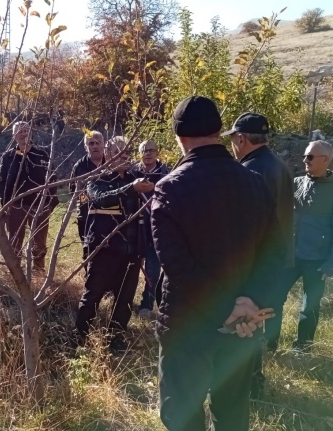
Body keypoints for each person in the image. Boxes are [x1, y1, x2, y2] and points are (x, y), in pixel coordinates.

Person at [151, 96, 279, 431]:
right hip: (242, 325)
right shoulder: (255, 183)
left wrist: (228, 308)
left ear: (179, 136)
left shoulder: (169, 189)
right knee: (233, 413)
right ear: (220, 131)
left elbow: (177, 266)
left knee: (181, 412)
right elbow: (274, 253)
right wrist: (251, 305)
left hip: (188, 324)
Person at [223, 112, 294, 397]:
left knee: (244, 328)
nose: (232, 145)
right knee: (256, 326)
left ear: (241, 138)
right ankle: (253, 383)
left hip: (256, 264)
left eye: (232, 139)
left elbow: (248, 226)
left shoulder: (251, 170)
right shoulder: (279, 165)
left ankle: (247, 388)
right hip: (278, 261)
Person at [74, 136, 153, 352]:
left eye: (128, 153)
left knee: (125, 300)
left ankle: (116, 340)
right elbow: (101, 198)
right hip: (104, 250)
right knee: (92, 296)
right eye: (121, 153)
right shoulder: (96, 179)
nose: (126, 157)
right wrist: (131, 189)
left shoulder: (137, 177)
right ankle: (79, 340)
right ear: (109, 154)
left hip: (132, 252)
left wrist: (142, 250)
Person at [281, 140, 333, 353]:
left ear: (325, 160)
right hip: (291, 256)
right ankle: (269, 340)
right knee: (273, 296)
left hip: (317, 260)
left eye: (310, 157)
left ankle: (302, 348)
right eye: (305, 156)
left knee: (308, 307)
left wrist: (332, 263)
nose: (305, 160)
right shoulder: (297, 182)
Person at [0, 122, 58, 271]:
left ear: (31, 133)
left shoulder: (42, 154)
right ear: (14, 136)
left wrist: (49, 202)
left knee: (39, 242)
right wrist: (5, 205)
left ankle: (38, 271)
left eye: (26, 130)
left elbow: (53, 178)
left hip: (40, 206)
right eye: (20, 131)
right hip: (16, 206)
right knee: (15, 242)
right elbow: (2, 182)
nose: (23, 134)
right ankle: (15, 273)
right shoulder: (8, 157)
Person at [133, 139, 170, 319]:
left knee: (153, 268)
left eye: (151, 150)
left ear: (157, 152)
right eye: (144, 150)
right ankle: (121, 300)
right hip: (135, 227)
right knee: (131, 266)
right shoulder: (132, 172)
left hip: (158, 226)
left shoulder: (167, 173)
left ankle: (147, 304)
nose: (147, 153)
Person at [69, 130, 104, 262]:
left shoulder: (111, 162)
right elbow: (73, 191)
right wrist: (89, 201)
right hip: (86, 215)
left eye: (98, 143)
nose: (95, 146)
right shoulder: (80, 166)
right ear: (85, 147)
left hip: (109, 213)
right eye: (91, 143)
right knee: (88, 249)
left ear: (103, 144)